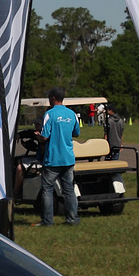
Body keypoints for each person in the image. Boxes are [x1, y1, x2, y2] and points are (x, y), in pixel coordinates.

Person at [37, 87, 80, 226]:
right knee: (69, 189)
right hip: (68, 158)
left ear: (53, 98)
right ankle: (72, 218)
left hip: (53, 158)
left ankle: (47, 220)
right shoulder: (72, 114)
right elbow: (76, 132)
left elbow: (44, 136)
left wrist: (38, 136)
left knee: (47, 190)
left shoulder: (50, 114)